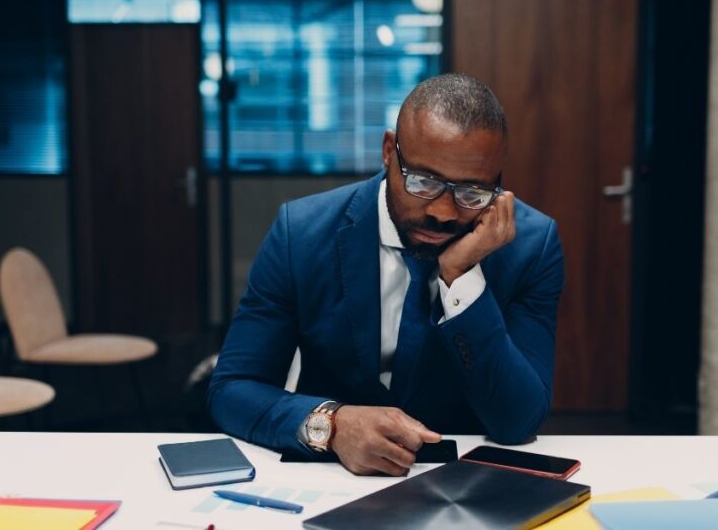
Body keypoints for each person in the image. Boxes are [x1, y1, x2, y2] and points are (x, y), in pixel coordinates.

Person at [209, 73, 564, 476]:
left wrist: (461, 278)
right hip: (331, 473)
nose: (443, 212)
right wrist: (333, 424)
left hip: (466, 480)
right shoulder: (302, 233)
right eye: (423, 181)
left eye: (472, 192)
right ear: (388, 152)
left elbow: (518, 420)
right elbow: (231, 389)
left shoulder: (531, 246)